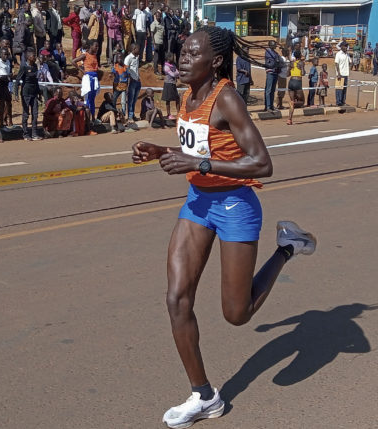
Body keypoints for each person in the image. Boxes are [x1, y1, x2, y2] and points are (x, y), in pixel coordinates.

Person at [129, 26, 317, 429]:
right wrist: (163, 152)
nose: (181, 59)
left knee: (237, 313)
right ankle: (204, 396)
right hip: (198, 202)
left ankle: (287, 246)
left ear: (214, 61)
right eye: (181, 51)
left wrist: (198, 165)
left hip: (235, 206)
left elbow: (262, 163)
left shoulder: (226, 98)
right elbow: (202, 149)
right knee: (177, 299)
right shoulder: (188, 95)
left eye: (191, 53)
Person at [16, 47, 41, 140]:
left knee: (35, 113)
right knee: (26, 113)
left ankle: (34, 133)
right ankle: (25, 134)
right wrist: (15, 93)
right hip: (26, 93)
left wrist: (39, 93)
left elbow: (36, 80)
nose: (35, 57)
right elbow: (18, 80)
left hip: (34, 93)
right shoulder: (24, 67)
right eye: (34, 56)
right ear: (28, 57)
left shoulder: (35, 66)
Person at [73, 41, 101, 118]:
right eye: (96, 46)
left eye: (98, 46)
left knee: (92, 99)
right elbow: (73, 61)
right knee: (88, 98)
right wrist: (82, 71)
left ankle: (93, 118)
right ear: (91, 46)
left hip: (95, 78)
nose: (97, 48)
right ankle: (87, 118)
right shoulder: (85, 55)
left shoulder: (95, 55)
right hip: (89, 78)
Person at [0, 46, 14, 130]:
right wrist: (6, 76)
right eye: (4, 54)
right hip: (0, 83)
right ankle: (1, 123)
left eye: (7, 54)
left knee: (9, 103)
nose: (6, 56)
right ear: (0, 54)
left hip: (7, 83)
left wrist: (10, 76)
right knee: (2, 103)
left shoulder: (8, 62)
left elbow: (9, 72)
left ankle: (9, 119)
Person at [124, 42, 141, 122]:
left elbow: (136, 69)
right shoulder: (128, 58)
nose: (139, 50)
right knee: (130, 100)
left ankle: (133, 114)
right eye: (138, 48)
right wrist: (131, 78)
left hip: (137, 81)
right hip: (132, 82)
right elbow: (126, 69)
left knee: (134, 99)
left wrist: (138, 77)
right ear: (134, 49)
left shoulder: (137, 57)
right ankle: (130, 117)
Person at [286, 55, 304, 125]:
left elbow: (287, 74)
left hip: (291, 82)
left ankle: (289, 119)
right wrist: (302, 67)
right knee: (302, 102)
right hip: (297, 82)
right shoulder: (301, 63)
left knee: (292, 101)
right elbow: (303, 73)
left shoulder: (291, 63)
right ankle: (294, 103)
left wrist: (289, 67)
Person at [162, 52, 180, 119]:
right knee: (168, 99)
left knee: (177, 98)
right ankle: (168, 114)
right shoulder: (166, 66)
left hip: (173, 84)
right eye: (172, 56)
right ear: (168, 58)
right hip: (168, 84)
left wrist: (176, 73)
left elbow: (177, 73)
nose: (174, 58)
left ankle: (178, 112)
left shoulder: (173, 65)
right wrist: (176, 73)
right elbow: (173, 74)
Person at [112, 52, 129, 118]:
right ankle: (114, 112)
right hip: (117, 86)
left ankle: (123, 114)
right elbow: (113, 75)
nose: (119, 59)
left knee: (123, 101)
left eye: (121, 57)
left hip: (124, 86)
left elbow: (128, 77)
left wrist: (128, 86)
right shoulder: (115, 67)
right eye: (118, 58)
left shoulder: (125, 67)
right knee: (114, 99)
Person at [263, 39, 279, 112]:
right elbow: (275, 59)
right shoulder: (268, 52)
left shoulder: (275, 52)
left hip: (275, 72)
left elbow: (278, 59)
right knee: (268, 90)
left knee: (272, 90)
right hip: (270, 72)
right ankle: (268, 106)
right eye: (274, 44)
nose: (276, 45)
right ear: (271, 45)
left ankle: (271, 105)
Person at [132, 0, 149, 64]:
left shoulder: (145, 12)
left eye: (143, 5)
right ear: (139, 5)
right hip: (138, 31)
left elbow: (147, 22)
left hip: (143, 32)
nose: (142, 6)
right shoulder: (136, 11)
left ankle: (140, 59)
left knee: (142, 46)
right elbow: (134, 21)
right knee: (137, 46)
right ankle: (136, 59)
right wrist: (135, 30)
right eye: (141, 4)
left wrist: (147, 30)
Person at [334, 41, 350, 106]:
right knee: (339, 89)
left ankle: (343, 101)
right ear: (341, 47)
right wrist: (338, 74)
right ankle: (338, 102)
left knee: (344, 89)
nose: (346, 47)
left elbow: (350, 62)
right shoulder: (338, 54)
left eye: (347, 46)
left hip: (346, 74)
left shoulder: (347, 54)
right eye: (345, 46)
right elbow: (336, 64)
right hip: (340, 74)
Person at [150, 10, 165, 75]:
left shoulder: (162, 23)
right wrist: (154, 44)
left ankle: (163, 70)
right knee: (156, 57)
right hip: (157, 42)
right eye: (157, 16)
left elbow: (163, 33)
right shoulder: (154, 23)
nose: (158, 17)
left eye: (159, 16)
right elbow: (152, 33)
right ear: (155, 17)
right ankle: (155, 71)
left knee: (162, 58)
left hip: (162, 42)